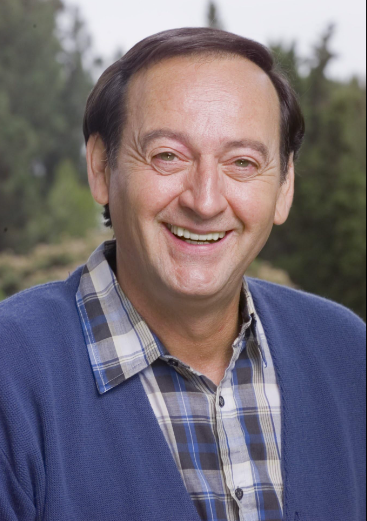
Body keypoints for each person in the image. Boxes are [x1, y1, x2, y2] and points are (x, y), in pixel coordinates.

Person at [0, 28, 365, 521]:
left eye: (242, 162)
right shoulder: (13, 375)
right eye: (167, 156)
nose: (205, 200)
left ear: (284, 187)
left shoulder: (347, 354)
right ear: (101, 168)